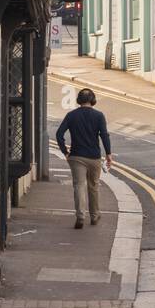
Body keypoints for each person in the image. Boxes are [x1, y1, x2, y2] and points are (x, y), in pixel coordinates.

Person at [55, 88, 113, 229]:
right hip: (94, 157)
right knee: (94, 186)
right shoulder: (99, 116)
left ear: (79, 100)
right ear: (92, 100)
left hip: (76, 156)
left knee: (79, 186)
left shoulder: (71, 115)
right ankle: (94, 216)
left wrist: (65, 152)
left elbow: (59, 134)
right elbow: (104, 135)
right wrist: (108, 154)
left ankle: (80, 216)